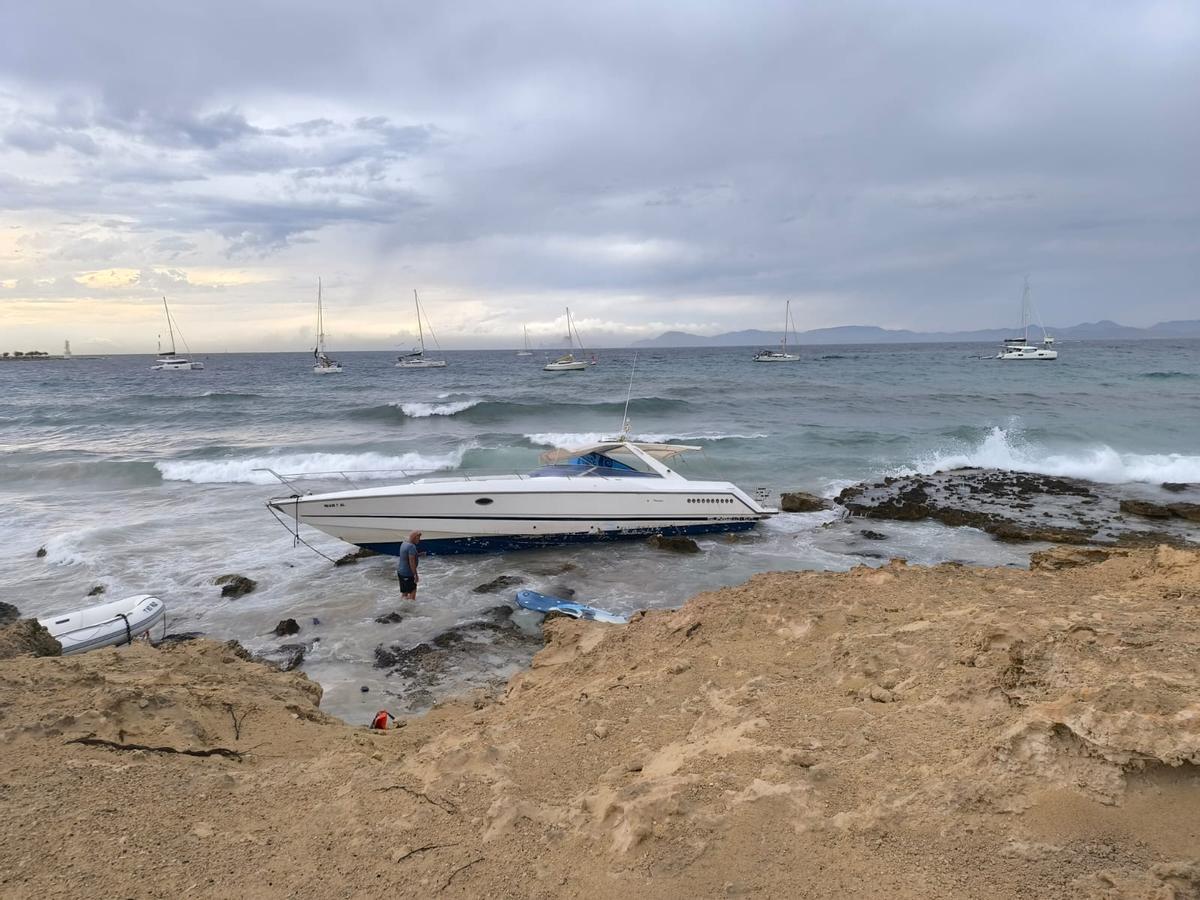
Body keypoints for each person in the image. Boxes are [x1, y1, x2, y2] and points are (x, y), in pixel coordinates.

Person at [396, 531, 421, 600]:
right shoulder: (411, 547)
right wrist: (415, 575)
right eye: (418, 538)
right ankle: (411, 609)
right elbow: (411, 562)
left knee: (405, 592)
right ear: (415, 537)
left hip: (400, 573)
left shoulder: (404, 543)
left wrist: (418, 554)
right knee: (413, 591)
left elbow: (405, 556)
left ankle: (402, 609)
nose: (419, 540)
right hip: (408, 574)